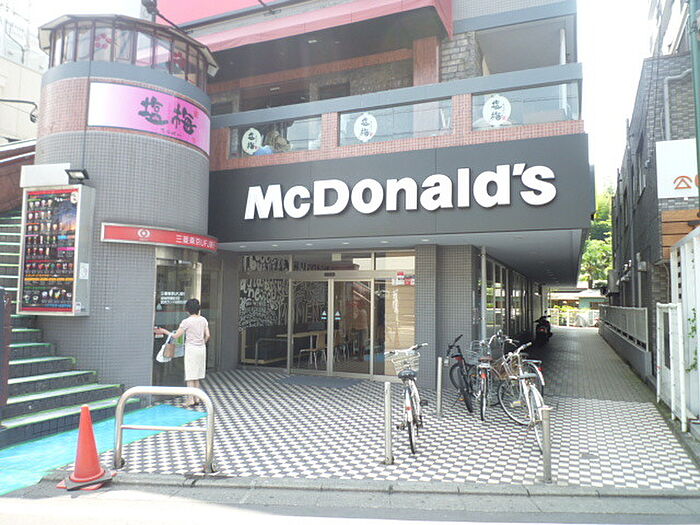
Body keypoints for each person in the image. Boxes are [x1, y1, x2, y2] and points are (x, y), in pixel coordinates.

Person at [155, 298, 210, 407]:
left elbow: (176, 336)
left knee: (190, 375)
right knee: (197, 376)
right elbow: (208, 335)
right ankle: (197, 398)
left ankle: (190, 400)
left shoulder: (186, 322)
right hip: (201, 349)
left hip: (191, 349)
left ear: (187, 310)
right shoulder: (203, 320)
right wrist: (202, 343)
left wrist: (164, 331)